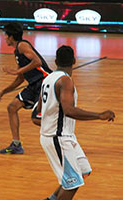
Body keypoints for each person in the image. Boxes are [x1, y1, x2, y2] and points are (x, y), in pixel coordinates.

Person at [37, 45, 115, 200]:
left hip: (64, 136)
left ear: (55, 61)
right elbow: (69, 110)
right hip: (58, 137)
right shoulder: (65, 81)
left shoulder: (47, 79)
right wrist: (99, 115)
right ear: (74, 60)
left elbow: (37, 111)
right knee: (72, 184)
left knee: (83, 171)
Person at [0, 22, 52, 154]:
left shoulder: (22, 45)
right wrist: (4, 91)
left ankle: (60, 130)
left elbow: (37, 61)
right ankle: (16, 145)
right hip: (34, 85)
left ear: (11, 37)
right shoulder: (17, 51)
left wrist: (16, 71)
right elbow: (20, 78)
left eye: (5, 35)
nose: (4, 38)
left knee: (36, 118)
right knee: (12, 107)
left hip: (44, 82)